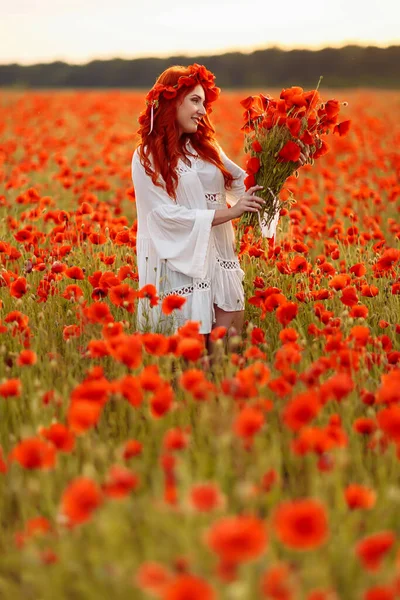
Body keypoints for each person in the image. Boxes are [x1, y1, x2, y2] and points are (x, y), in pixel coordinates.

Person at [131, 63, 305, 344]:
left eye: (203, 102)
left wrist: (278, 156)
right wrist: (230, 212)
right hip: (179, 266)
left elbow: (241, 182)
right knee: (192, 367)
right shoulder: (146, 156)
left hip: (220, 258)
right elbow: (163, 216)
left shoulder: (206, 149)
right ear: (171, 102)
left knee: (226, 358)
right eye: (194, 101)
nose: (202, 110)